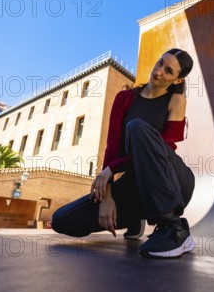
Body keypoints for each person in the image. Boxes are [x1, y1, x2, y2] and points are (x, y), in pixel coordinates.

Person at [52, 48, 196, 258]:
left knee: (136, 127)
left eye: (168, 71)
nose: (158, 72)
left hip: (174, 182)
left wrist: (112, 169)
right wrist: (106, 198)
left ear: (177, 80)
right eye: (160, 63)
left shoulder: (176, 101)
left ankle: (174, 228)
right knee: (62, 220)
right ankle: (135, 217)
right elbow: (112, 146)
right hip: (136, 185)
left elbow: (163, 149)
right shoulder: (125, 99)